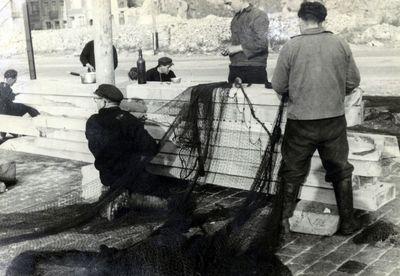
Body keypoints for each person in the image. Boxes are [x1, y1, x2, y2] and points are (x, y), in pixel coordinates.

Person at [272, 2, 361, 235]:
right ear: (323, 20)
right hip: (333, 120)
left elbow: (279, 85)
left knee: (292, 171)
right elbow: (353, 82)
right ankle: (348, 222)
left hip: (300, 121)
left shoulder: (291, 46)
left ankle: (283, 223)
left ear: (301, 19)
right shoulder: (340, 43)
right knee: (341, 170)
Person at [85, 84, 167, 220]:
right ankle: (129, 199)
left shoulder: (93, 121)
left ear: (104, 102)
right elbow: (150, 147)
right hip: (131, 174)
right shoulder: (130, 120)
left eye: (96, 99)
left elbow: (94, 147)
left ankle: (115, 198)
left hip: (108, 175)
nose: (96, 102)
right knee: (161, 197)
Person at [222, 0, 271, 87]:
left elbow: (262, 43)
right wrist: (229, 49)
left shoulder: (258, 15)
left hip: (253, 69)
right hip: (235, 68)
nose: (228, 7)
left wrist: (237, 48)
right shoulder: (236, 18)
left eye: (230, 3)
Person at [0, 69, 40, 140]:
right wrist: (19, 95)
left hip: (3, 112)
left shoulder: (2, 85)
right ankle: (40, 124)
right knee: (28, 107)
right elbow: (12, 97)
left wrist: (15, 94)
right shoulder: (5, 86)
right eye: (15, 79)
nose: (15, 81)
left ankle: (4, 134)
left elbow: (7, 96)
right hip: (6, 112)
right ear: (9, 79)